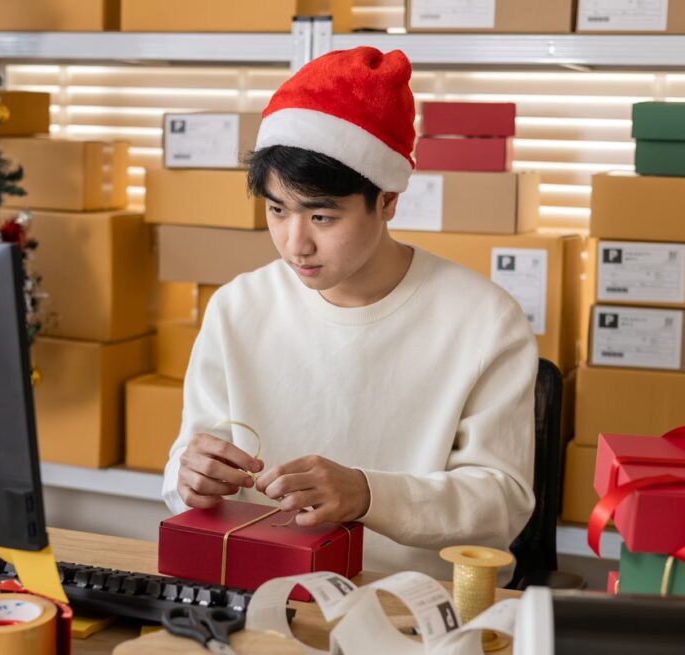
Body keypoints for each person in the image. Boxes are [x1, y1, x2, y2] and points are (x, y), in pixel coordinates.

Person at [162, 46, 536, 579]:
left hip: (412, 597)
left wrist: (367, 494)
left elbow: (503, 504)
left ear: (388, 200)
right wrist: (189, 479)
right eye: (277, 210)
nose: (295, 244)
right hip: (258, 583)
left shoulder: (484, 320)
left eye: (322, 217)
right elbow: (188, 465)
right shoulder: (237, 308)